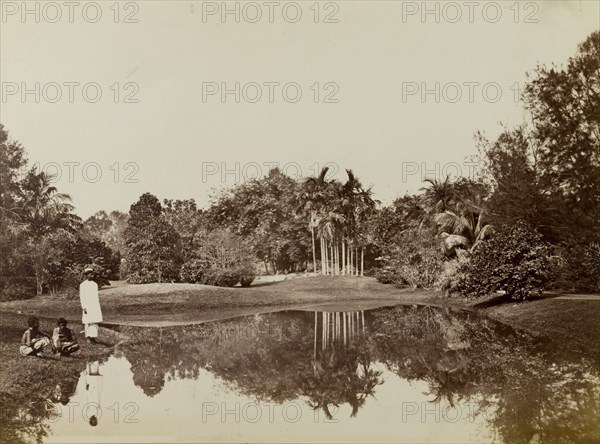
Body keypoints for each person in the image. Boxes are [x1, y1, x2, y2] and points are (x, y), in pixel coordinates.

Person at [80, 267, 103, 343]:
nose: (92, 275)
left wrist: (97, 306)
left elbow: (96, 296)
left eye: (92, 274)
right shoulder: (83, 285)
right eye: (90, 274)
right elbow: (82, 297)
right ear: (86, 275)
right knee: (88, 321)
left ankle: (93, 337)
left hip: (94, 305)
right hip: (87, 305)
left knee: (94, 321)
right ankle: (88, 337)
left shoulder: (94, 284)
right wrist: (84, 307)